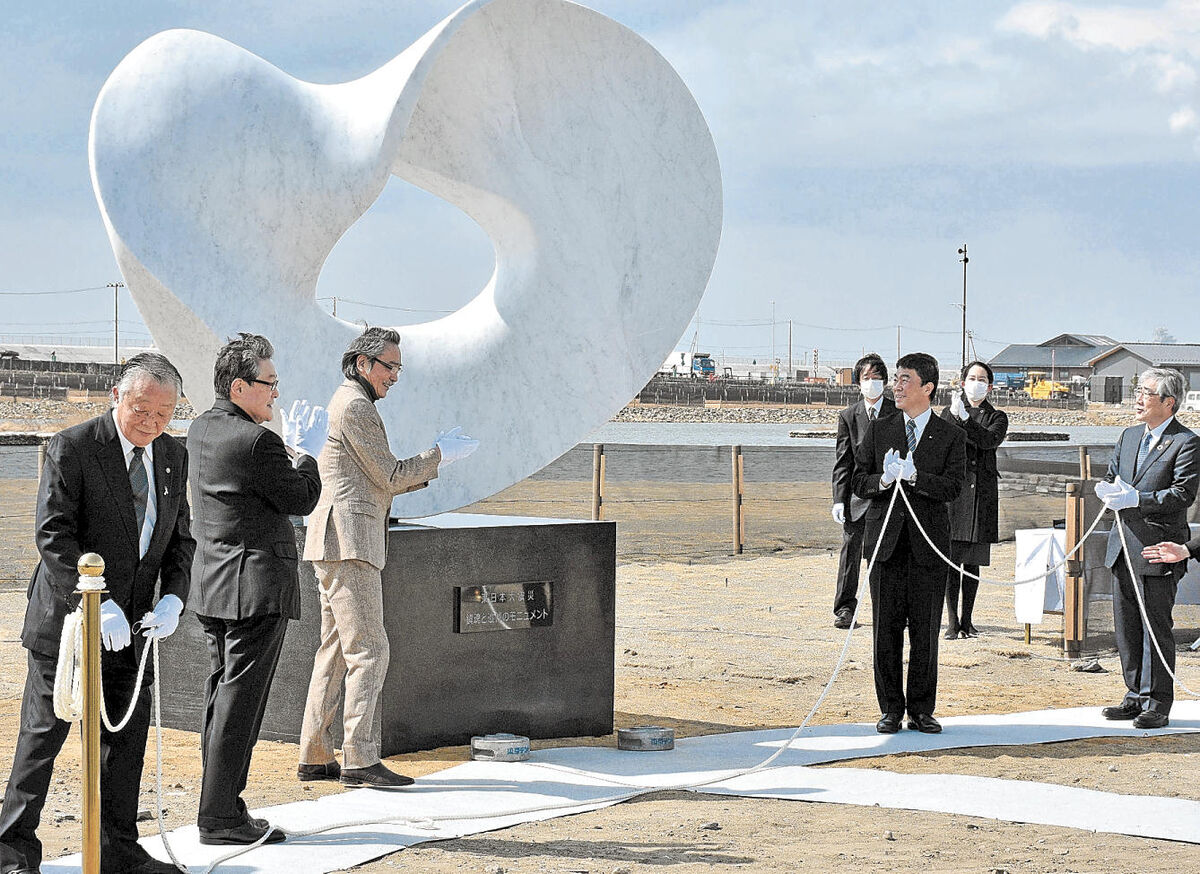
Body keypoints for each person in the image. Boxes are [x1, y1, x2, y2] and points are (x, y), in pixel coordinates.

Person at [0, 353, 193, 874]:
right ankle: (12, 852)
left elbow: (179, 539)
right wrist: (96, 602)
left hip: (136, 627)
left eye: (165, 412)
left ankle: (118, 852)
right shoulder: (73, 447)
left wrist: (175, 597)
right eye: (142, 408)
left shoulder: (174, 454)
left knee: (124, 744)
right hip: (68, 623)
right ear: (116, 396)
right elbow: (53, 535)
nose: (152, 421)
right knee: (42, 738)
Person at [297, 328, 478, 788]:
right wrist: (441, 456)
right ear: (363, 363)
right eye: (389, 366)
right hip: (350, 542)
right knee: (370, 650)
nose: (395, 375)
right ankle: (358, 758)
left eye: (399, 367)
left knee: (336, 650)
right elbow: (391, 474)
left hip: (337, 541)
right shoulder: (355, 406)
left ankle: (316, 755)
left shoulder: (349, 402)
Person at [188, 333, 323, 844]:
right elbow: (302, 498)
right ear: (240, 385)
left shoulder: (202, 427)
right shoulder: (257, 441)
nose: (276, 395)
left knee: (222, 698)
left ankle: (220, 806)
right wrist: (306, 453)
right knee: (240, 704)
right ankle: (221, 817)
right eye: (269, 384)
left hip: (214, 584)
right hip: (254, 588)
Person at [853, 352, 965, 735]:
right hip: (885, 544)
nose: (896, 386)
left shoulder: (952, 435)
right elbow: (859, 480)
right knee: (885, 630)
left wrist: (917, 478)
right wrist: (883, 482)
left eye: (905, 380)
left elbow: (953, 487)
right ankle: (889, 709)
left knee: (924, 631)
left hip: (928, 548)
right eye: (895, 379)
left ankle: (921, 709)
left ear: (927, 388)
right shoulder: (881, 429)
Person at [1093, 367, 1199, 730]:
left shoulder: (1186, 442)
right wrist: (1106, 490)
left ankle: (1158, 700)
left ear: (1168, 402)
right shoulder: (1129, 435)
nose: (1137, 398)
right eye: (1137, 390)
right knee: (1127, 625)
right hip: (1122, 544)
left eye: (1146, 392)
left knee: (1156, 625)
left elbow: (1183, 493)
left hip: (1159, 547)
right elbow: (1112, 476)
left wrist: (1140, 497)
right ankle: (1134, 693)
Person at [939, 360, 1008, 639]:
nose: (976, 383)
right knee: (950, 559)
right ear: (962, 382)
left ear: (989, 386)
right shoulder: (948, 413)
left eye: (982, 379)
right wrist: (956, 419)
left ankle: (968, 619)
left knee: (973, 562)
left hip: (981, 494)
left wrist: (966, 422)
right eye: (972, 378)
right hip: (955, 496)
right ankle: (953, 621)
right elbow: (942, 445)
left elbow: (989, 441)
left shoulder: (997, 416)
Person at [830, 353, 896, 629]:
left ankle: (889, 609)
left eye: (877, 378)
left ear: (885, 382)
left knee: (889, 555)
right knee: (851, 554)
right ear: (858, 383)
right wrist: (839, 500)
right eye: (867, 378)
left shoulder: (898, 412)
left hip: (891, 497)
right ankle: (845, 609)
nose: (872, 383)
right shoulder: (848, 416)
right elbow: (843, 461)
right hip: (857, 498)